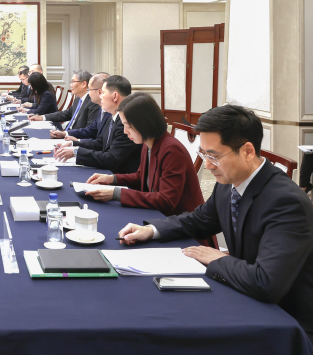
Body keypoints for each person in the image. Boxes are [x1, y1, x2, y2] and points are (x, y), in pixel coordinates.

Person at [117, 105, 313, 342]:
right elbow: (199, 220)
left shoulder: (287, 203)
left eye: (214, 156)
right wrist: (152, 230)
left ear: (248, 151)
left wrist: (218, 258)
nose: (208, 166)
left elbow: (266, 283)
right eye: (203, 155)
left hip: (286, 324)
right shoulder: (229, 183)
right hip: (245, 295)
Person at [83, 92, 205, 218]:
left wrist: (116, 193)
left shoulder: (172, 150)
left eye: (128, 126)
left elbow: (166, 200)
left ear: (143, 124)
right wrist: (112, 179)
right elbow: (141, 176)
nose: (125, 131)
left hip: (179, 222)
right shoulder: (148, 143)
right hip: (157, 214)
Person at [55, 75, 141, 174]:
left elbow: (112, 159)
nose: (101, 96)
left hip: (118, 176)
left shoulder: (126, 122)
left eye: (103, 92)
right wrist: (74, 144)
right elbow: (100, 143)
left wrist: (76, 152)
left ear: (115, 96)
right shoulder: (111, 115)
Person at [29, 69, 99, 132]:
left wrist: (66, 134)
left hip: (74, 138)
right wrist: (42, 117)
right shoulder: (78, 99)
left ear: (83, 84)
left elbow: (89, 130)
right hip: (66, 134)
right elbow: (65, 114)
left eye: (73, 82)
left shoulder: (92, 102)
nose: (70, 85)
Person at [51, 72, 110, 143]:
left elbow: (98, 141)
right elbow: (91, 130)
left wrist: (77, 142)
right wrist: (65, 134)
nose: (88, 93)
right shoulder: (102, 110)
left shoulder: (106, 111)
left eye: (89, 90)